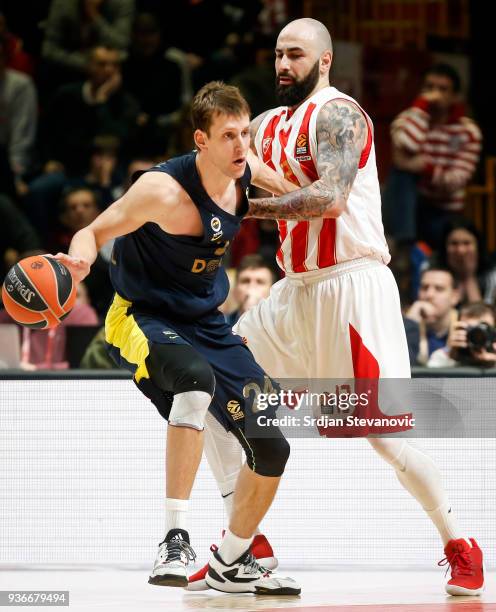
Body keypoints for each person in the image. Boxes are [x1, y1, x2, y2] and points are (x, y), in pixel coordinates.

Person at [190, 19, 485, 597]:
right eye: (277, 54)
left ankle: (460, 543)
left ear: (324, 61)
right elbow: (219, 172)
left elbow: (330, 199)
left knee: (386, 438)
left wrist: (240, 207)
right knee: (206, 388)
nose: (282, 65)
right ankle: (243, 546)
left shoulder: (341, 114)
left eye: (295, 55)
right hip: (293, 290)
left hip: (353, 287)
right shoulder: (265, 125)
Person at [53, 81, 300, 595]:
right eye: (229, 135)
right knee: (193, 382)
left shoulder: (244, 172)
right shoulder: (160, 190)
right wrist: (77, 262)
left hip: (207, 322)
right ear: (200, 140)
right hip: (141, 314)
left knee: (271, 439)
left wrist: (341, 203)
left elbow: (302, 196)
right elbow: (94, 232)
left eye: (245, 134)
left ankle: (233, 560)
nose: (240, 146)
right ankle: (174, 537)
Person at [386, 63, 482, 250]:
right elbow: (410, 143)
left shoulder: (468, 132)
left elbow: (455, 180)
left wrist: (424, 167)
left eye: (442, 89)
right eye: (429, 88)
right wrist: (421, 107)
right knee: (400, 174)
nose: (434, 95)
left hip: (444, 209)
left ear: (454, 96)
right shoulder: (408, 119)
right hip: (410, 206)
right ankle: (404, 248)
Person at [435, 216, 496, 306]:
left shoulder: (491, 273)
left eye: (466, 243)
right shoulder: (433, 270)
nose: (460, 251)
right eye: (454, 243)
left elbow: (481, 316)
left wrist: (469, 277)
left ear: (478, 246)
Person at [405, 268, 460, 365]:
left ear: (454, 297)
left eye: (439, 289)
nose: (429, 295)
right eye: (424, 288)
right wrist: (410, 323)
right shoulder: (408, 326)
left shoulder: (463, 327)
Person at [428, 302, 496, 368]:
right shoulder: (441, 357)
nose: (477, 336)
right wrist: (450, 357)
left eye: (484, 329)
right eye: (470, 329)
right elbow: (431, 378)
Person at [225, 254, 276, 326]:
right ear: (235, 291)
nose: (252, 287)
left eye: (260, 282)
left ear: (273, 292)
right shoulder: (222, 325)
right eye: (245, 281)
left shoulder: (282, 325)